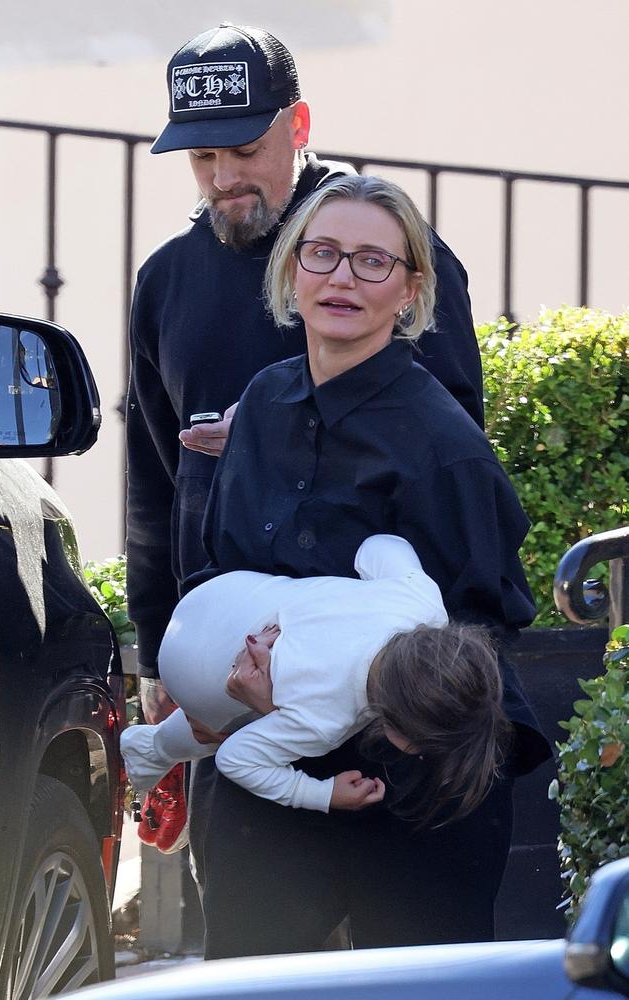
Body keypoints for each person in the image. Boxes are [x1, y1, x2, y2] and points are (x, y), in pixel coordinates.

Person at [178, 172, 552, 958]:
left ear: (411, 292)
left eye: (371, 262)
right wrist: (211, 684)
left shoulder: (444, 447)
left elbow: (482, 634)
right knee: (247, 981)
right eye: (322, 253)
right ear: (290, 271)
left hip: (418, 779)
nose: (342, 276)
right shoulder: (263, 404)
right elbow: (225, 572)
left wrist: (366, 699)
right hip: (271, 765)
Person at [125, 21, 484, 731]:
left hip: (382, 666)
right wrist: (154, 650)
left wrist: (273, 429)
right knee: (237, 843)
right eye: (203, 156)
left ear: (299, 125)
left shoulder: (388, 251)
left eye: (246, 150)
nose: (224, 178)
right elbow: (153, 482)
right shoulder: (167, 278)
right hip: (227, 656)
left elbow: (455, 446)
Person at [122, 535, 507, 818]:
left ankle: (151, 750)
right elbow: (235, 760)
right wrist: (321, 794)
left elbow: (378, 546)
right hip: (195, 681)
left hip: (210, 598)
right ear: (397, 731)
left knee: (272, 641)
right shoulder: (324, 722)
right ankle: (154, 750)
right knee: (246, 723)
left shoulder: (420, 601)